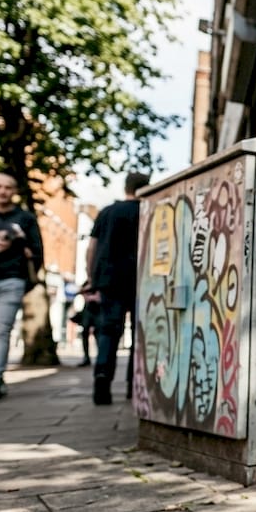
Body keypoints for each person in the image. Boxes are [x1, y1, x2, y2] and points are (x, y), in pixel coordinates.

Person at [88, 172, 149, 405]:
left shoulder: (107, 212)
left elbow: (92, 248)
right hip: (141, 280)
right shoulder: (147, 210)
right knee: (139, 335)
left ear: (126, 187)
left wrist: (91, 277)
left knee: (108, 332)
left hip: (109, 280)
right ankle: (134, 387)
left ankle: (102, 384)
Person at [0, 172, 44, 400]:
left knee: (0, 331)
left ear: (14, 191)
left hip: (12, 280)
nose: (2, 191)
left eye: (7, 187)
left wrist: (25, 281)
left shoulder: (25, 219)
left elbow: (37, 252)